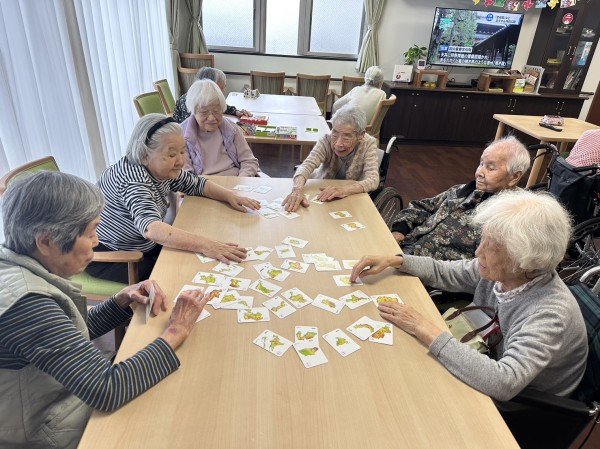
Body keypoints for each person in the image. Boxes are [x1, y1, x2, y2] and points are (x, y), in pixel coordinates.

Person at [0, 171, 210, 448]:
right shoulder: (27, 304)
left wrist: (121, 300)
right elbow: (107, 389)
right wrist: (176, 330)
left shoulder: (16, 266)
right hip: (47, 425)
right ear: (46, 242)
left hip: (55, 394)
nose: (97, 241)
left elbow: (68, 335)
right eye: (90, 232)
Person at [351, 189, 588, 402]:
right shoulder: (507, 272)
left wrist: (423, 327)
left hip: (524, 406)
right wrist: (395, 260)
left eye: (491, 247)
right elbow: (443, 271)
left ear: (524, 260)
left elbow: (504, 382)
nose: (478, 251)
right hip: (482, 351)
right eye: (483, 239)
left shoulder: (550, 313)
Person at [87, 113, 260, 284]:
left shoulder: (160, 168)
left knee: (197, 259)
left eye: (182, 151)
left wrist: (230, 196)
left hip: (142, 245)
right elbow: (152, 229)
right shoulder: (133, 181)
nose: (180, 161)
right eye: (172, 155)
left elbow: (196, 184)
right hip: (113, 257)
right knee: (181, 277)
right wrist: (207, 245)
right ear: (144, 156)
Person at [391, 136, 531, 260]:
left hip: (431, 273)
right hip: (404, 250)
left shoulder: (510, 215)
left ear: (514, 177)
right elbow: (424, 207)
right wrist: (399, 230)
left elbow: (478, 268)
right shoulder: (464, 190)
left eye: (490, 168)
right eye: (481, 164)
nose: (480, 172)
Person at [282, 105, 379, 212]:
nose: (338, 144)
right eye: (335, 134)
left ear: (361, 135)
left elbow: (373, 179)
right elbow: (306, 165)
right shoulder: (326, 140)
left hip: (351, 197)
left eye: (346, 137)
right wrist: (297, 189)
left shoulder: (368, 143)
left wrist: (343, 190)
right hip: (321, 191)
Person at [181, 79, 260, 177]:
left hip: (235, 180)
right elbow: (184, 175)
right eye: (204, 112)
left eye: (217, 111)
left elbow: (249, 161)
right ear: (193, 111)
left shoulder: (232, 129)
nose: (211, 118)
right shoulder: (181, 135)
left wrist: (241, 181)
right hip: (202, 184)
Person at [172, 66, 251, 123]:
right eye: (221, 88)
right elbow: (198, 130)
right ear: (209, 86)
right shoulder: (193, 102)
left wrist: (236, 111)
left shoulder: (205, 97)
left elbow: (218, 106)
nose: (223, 92)